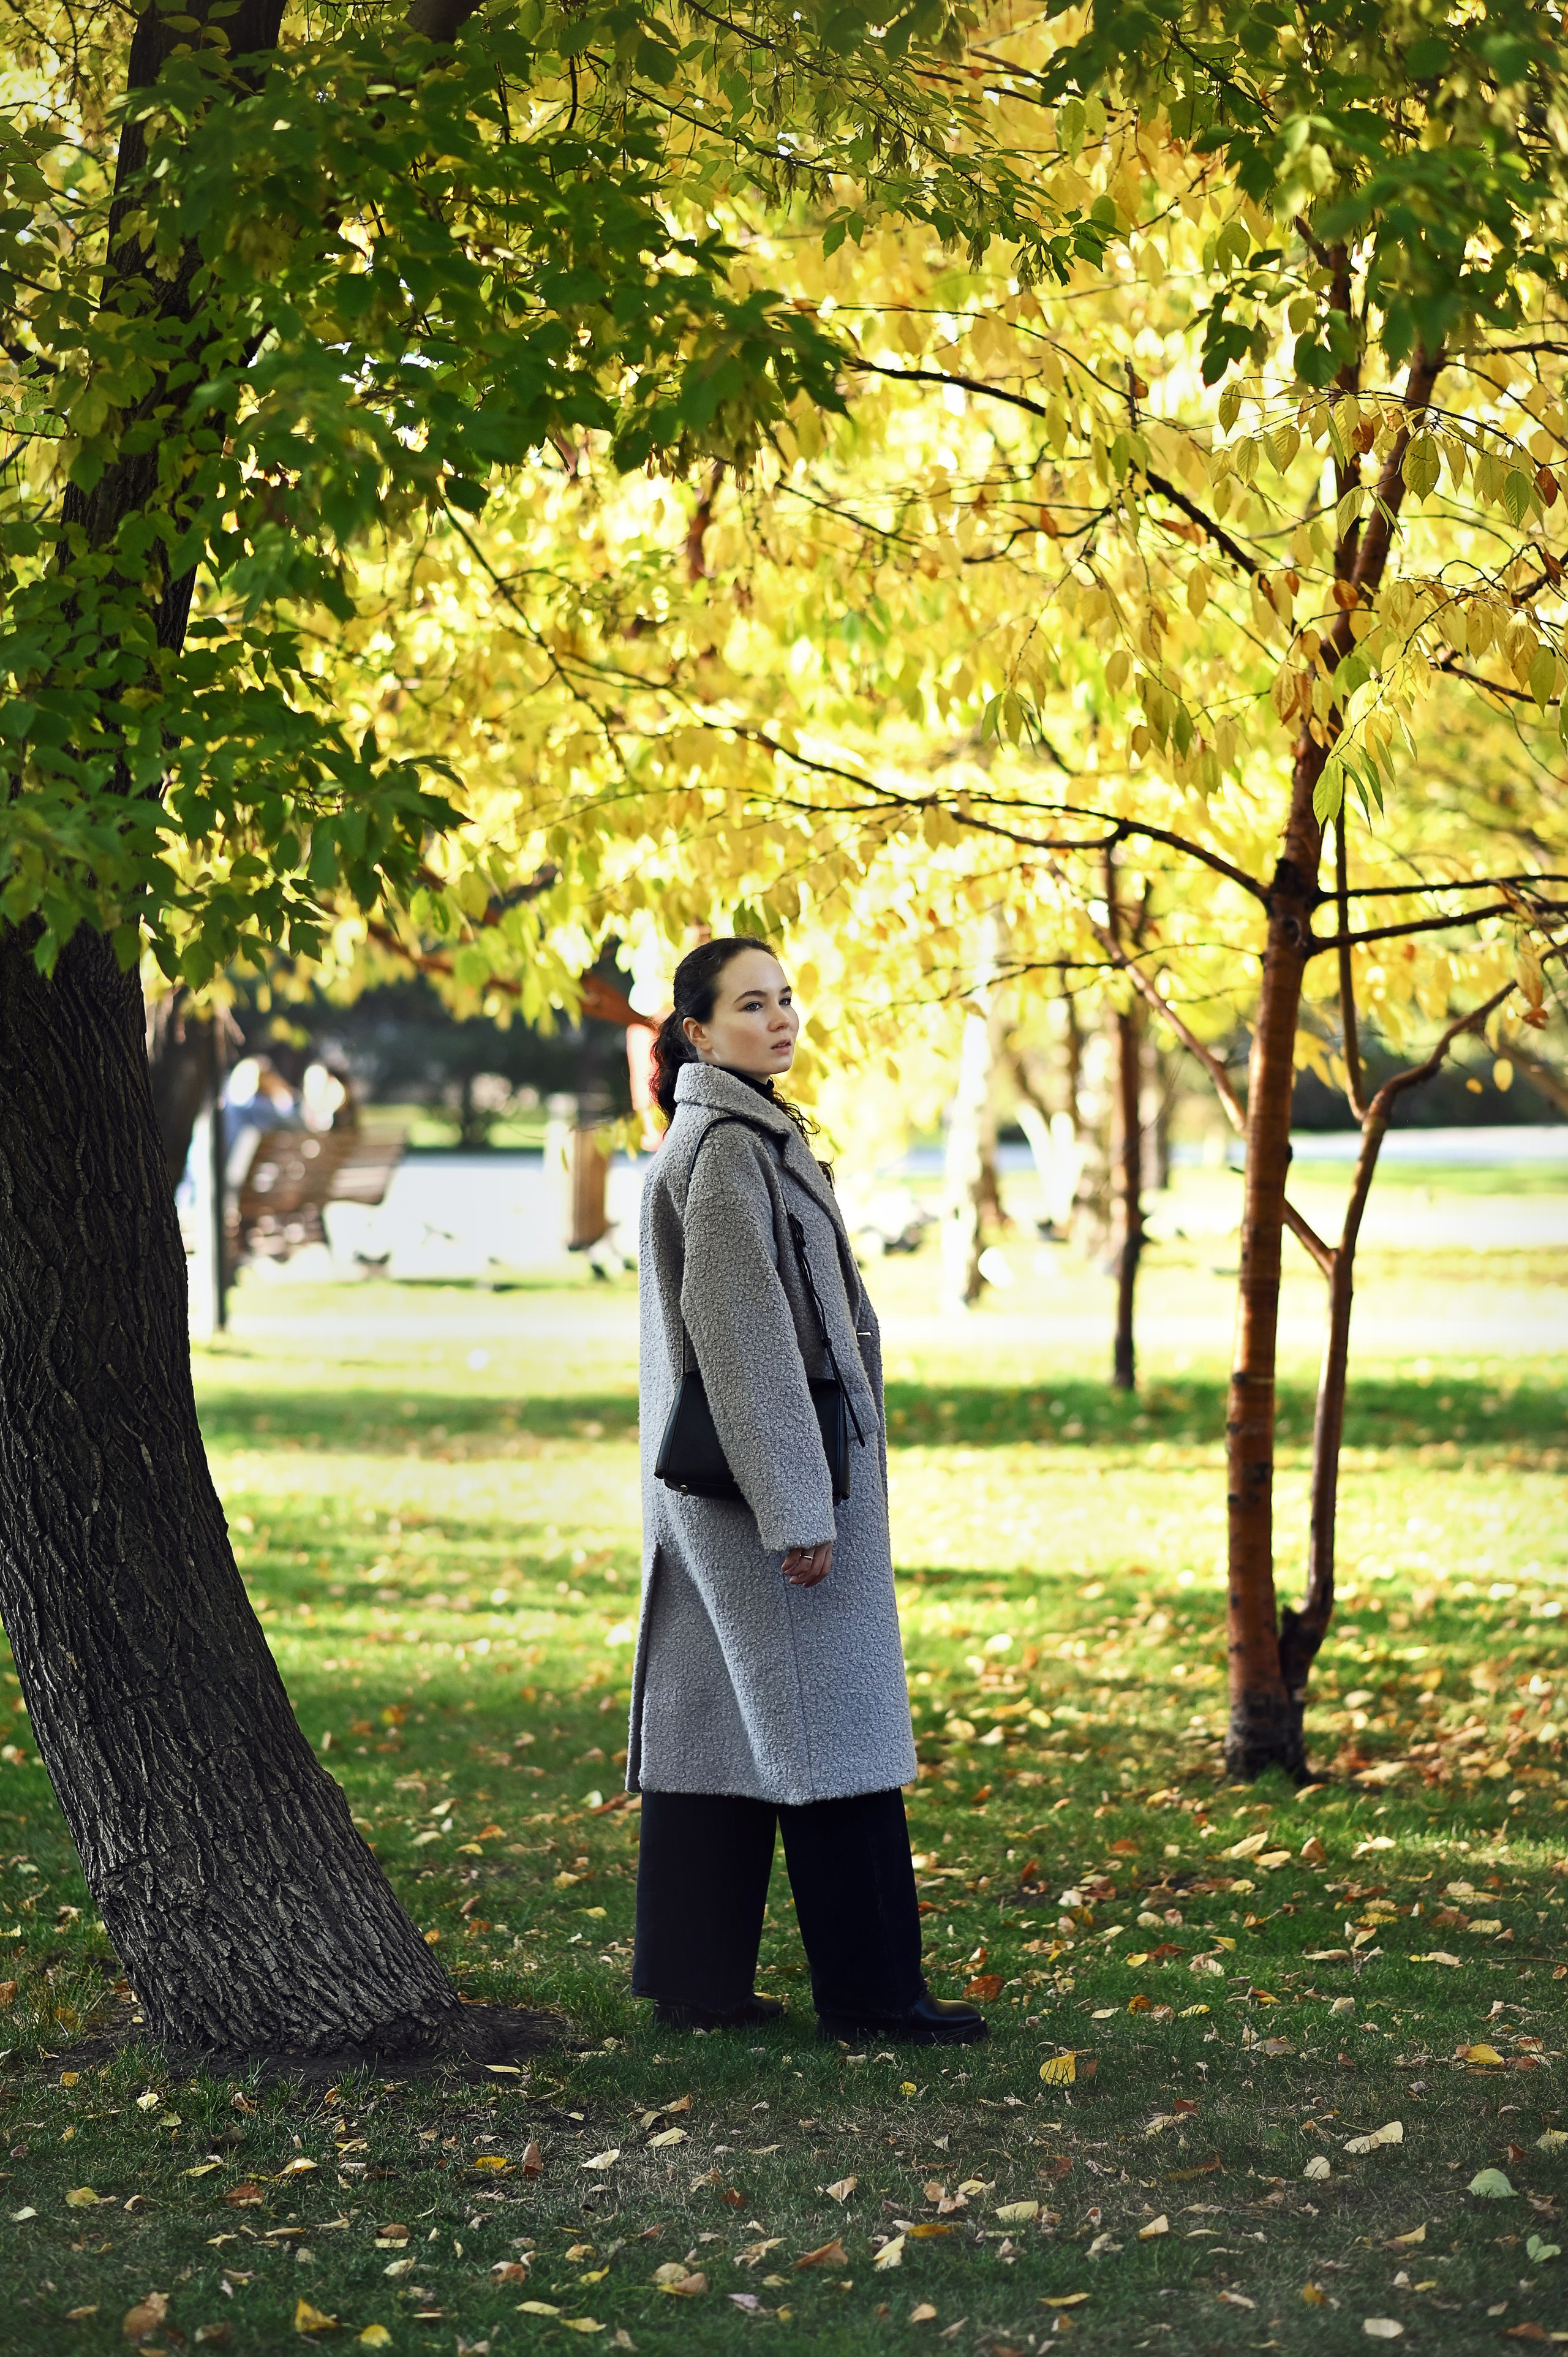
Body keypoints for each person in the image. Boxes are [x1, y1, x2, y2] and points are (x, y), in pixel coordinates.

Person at [625, 936, 987, 2045]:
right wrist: (797, 1509)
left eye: (785, 1000)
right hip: (768, 1491)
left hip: (729, 1488)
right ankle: (877, 1999)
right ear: (697, 1032)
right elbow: (745, 1347)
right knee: (836, 1738)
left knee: (716, 1734)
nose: (780, 1020)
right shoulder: (725, 1151)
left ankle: (695, 1986)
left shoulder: (737, 1135)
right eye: (750, 1005)